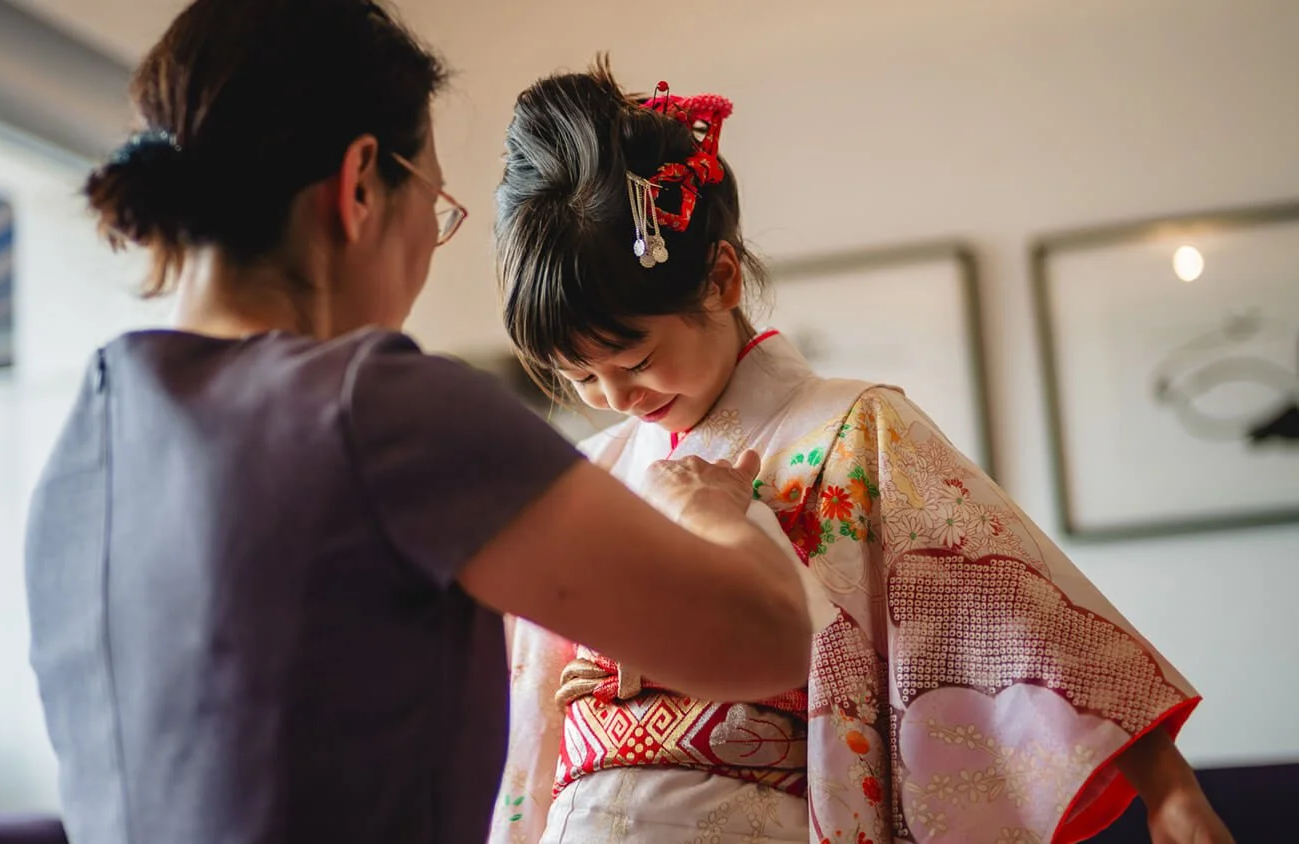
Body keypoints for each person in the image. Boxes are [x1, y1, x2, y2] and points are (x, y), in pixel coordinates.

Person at [22, 4, 825, 843]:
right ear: (362, 183)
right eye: (436, 203)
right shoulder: (377, 407)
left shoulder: (82, 449)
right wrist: (710, 509)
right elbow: (762, 640)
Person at [491, 59, 1234, 844]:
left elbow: (1018, 619)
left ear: (720, 279)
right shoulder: (588, 477)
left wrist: (1169, 787)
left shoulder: (854, 429)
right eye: (581, 377)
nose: (615, 397)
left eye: (634, 360)